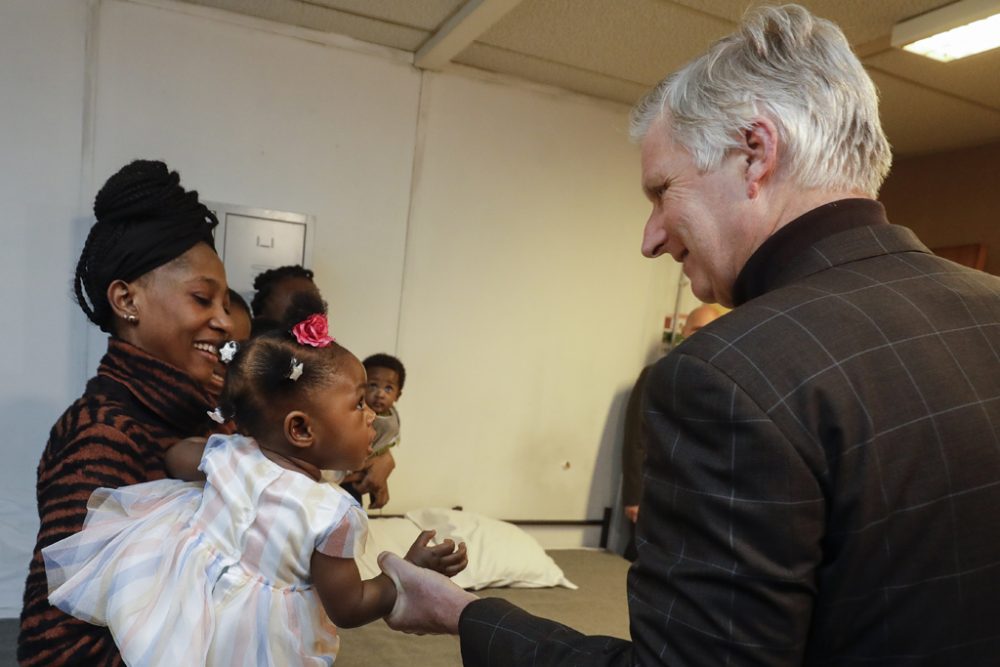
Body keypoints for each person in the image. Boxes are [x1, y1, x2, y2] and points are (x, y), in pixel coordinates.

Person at [376, 5, 1000, 664]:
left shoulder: (730, 373)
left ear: (755, 154)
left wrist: (466, 613)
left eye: (662, 190)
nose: (650, 239)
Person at [41, 312, 468, 665]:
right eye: (358, 403)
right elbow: (350, 605)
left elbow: (175, 457)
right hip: (258, 640)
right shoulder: (332, 514)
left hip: (190, 611)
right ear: (300, 428)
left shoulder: (230, 453)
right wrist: (404, 576)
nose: (373, 415)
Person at [18, 159, 236, 665]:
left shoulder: (199, 417)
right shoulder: (106, 433)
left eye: (225, 303)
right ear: (126, 299)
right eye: (203, 298)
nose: (224, 322)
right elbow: (58, 648)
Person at [621, 304, 722, 560]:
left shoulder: (724, 383)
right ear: (683, 333)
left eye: (711, 330)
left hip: (698, 503)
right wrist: (634, 497)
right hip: (655, 493)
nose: (703, 335)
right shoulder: (656, 375)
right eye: (697, 329)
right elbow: (636, 438)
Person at [342, 353, 406, 508]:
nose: (380, 394)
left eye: (388, 388)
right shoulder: (349, 413)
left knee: (355, 512)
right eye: (373, 385)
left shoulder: (391, 416)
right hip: (343, 474)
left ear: (398, 395)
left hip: (361, 477)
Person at [249, 264, 322, 335]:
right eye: (297, 298)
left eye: (313, 294)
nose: (310, 303)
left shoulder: (328, 345)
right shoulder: (252, 345)